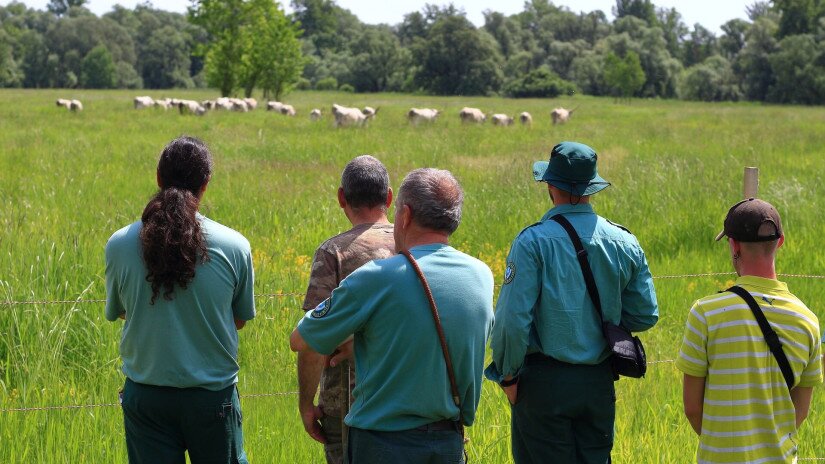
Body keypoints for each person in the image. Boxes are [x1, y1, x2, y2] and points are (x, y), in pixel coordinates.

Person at [290, 168, 494, 464]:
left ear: (406, 215)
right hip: (449, 440)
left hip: (382, 443)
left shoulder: (374, 278)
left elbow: (301, 339)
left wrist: (357, 337)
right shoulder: (481, 275)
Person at [485, 141, 659, 464]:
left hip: (544, 384)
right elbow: (646, 314)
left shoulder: (533, 241)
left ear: (550, 185)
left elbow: (511, 321)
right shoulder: (624, 241)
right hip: (598, 384)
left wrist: (507, 376)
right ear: (592, 187)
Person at [105, 136, 255, 464]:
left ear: (158, 178)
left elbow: (120, 312)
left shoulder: (119, 244)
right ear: (206, 183)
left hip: (147, 395)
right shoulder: (235, 246)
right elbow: (239, 319)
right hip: (213, 398)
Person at [677, 198, 822, 463]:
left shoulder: (706, 313)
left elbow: (692, 408)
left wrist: (724, 443)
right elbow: (800, 411)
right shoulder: (808, 320)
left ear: (733, 245)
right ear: (780, 242)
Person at [298, 155, 396, 463]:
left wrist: (306, 404)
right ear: (389, 197)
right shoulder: (414, 245)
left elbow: (314, 339)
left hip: (348, 403)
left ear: (342, 197)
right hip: (406, 393)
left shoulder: (333, 253)